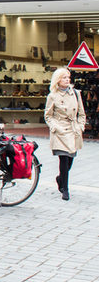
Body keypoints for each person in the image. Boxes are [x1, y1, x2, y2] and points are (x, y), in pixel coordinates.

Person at [44, 67, 85, 201]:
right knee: (64, 159)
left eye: (68, 77)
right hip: (60, 131)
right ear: (58, 80)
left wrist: (80, 126)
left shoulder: (76, 94)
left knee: (70, 161)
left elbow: (81, 113)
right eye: (64, 78)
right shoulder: (53, 96)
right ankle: (65, 189)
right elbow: (48, 116)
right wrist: (55, 127)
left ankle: (60, 178)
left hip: (73, 129)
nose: (67, 80)